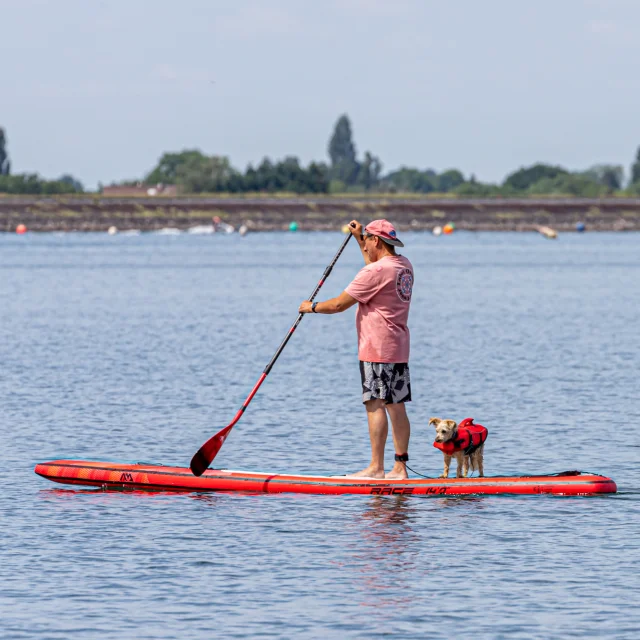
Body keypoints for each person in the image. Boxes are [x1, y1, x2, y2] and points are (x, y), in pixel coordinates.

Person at [299, 219, 414, 479]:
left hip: (376, 348)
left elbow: (340, 304)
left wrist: (311, 306)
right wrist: (358, 238)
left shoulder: (375, 273)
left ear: (376, 240)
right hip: (398, 347)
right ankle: (400, 468)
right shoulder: (404, 266)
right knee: (396, 405)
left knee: (374, 404)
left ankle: (376, 468)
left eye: (368, 240)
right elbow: (375, 268)